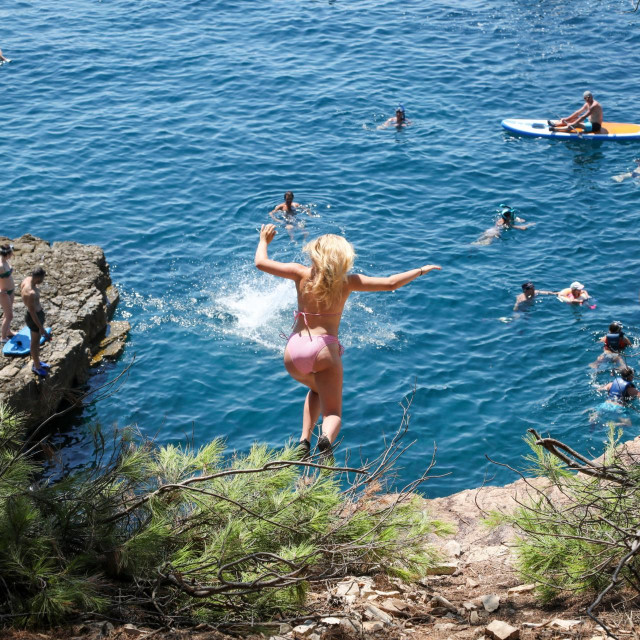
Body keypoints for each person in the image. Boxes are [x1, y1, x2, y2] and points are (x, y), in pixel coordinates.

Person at [255, 223, 441, 459]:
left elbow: (261, 263)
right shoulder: (348, 282)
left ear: (314, 253)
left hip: (294, 349)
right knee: (333, 412)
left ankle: (304, 440)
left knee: (317, 389)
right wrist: (421, 270)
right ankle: (325, 439)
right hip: (324, 349)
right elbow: (391, 283)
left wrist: (264, 241)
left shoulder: (299, 272)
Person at [21, 267, 51, 377]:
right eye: (42, 278)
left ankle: (37, 362)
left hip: (35, 316)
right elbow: (32, 313)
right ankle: (37, 367)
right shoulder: (31, 293)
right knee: (35, 343)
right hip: (34, 320)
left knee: (37, 342)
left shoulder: (27, 280)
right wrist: (41, 328)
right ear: (38, 277)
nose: (42, 281)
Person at [0, 244, 16, 344]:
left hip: (11, 290)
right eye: (11, 253)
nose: (12, 254)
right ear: (7, 254)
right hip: (4, 293)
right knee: (9, 316)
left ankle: (8, 332)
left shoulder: (6, 261)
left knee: (7, 314)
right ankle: (3, 338)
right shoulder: (0, 266)